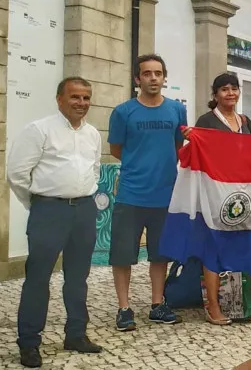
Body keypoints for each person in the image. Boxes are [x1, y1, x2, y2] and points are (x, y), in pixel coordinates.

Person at [9, 78, 102, 367]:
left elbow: (95, 169)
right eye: (75, 97)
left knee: (78, 278)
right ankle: (29, 343)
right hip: (49, 211)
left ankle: (75, 334)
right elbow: (17, 174)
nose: (81, 103)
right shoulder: (39, 130)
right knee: (38, 279)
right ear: (59, 98)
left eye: (86, 97)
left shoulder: (93, 134)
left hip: (84, 211)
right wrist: (40, 204)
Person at [108, 54, 187, 331]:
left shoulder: (177, 110)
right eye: (147, 73)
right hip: (131, 194)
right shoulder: (123, 112)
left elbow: (179, 147)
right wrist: (139, 166)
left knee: (160, 254)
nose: (153, 78)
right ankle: (124, 308)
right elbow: (116, 149)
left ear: (164, 78)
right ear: (137, 79)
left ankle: (157, 304)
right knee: (122, 254)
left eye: (158, 73)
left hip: (165, 194)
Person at [188, 73, 251, 326]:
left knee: (237, 245)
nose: (230, 93)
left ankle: (238, 302)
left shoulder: (245, 121)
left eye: (234, 89)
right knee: (213, 247)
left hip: (240, 192)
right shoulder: (206, 121)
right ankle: (213, 306)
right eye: (224, 89)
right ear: (215, 95)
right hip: (214, 190)